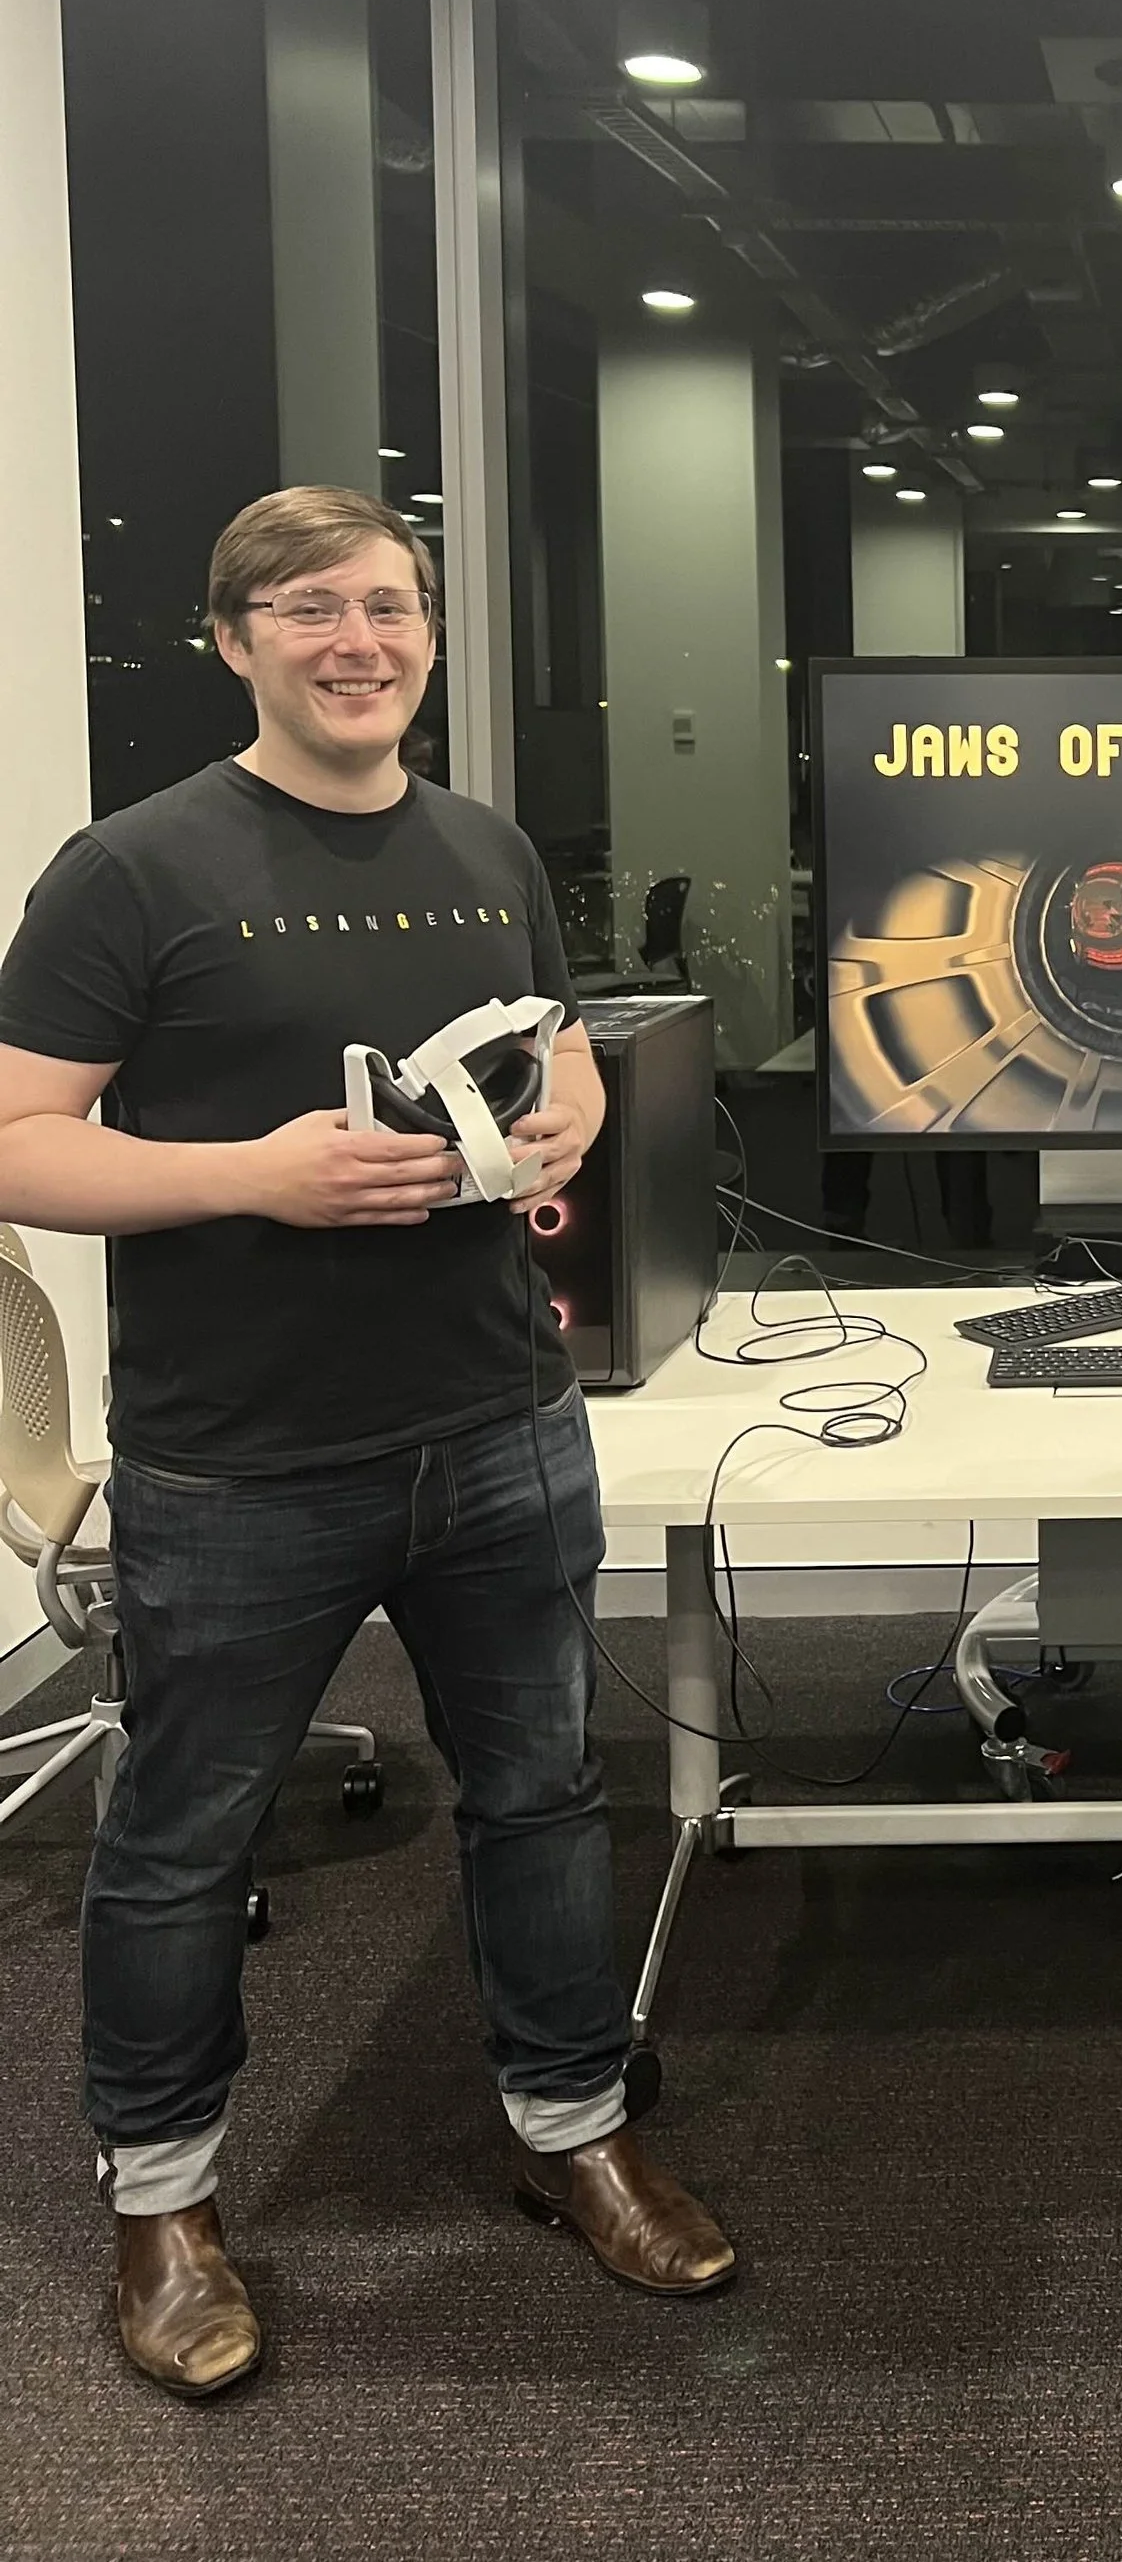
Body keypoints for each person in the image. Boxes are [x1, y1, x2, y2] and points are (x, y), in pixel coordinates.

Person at [0, 487, 735, 2402]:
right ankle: (163, 2207)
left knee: (547, 1797)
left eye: (390, 605)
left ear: (427, 631)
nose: (359, 639)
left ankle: (575, 2128)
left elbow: (553, 1037)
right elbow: (12, 1138)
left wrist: (569, 1109)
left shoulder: (482, 841)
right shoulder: (135, 868)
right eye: (310, 608)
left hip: (499, 1418)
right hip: (240, 1458)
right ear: (231, 637)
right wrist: (257, 1174)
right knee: (178, 1840)